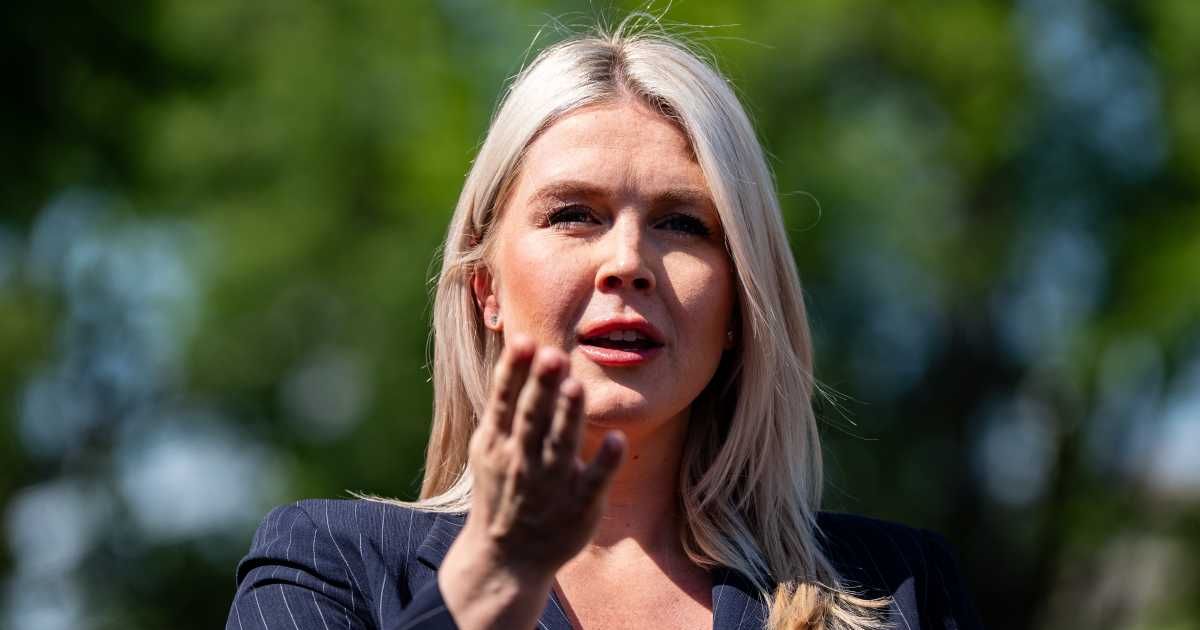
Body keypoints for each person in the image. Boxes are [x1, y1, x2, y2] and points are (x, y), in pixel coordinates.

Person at [225, 18, 983, 630]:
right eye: (574, 214)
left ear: (739, 301)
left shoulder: (900, 589)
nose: (628, 263)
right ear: (486, 288)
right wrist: (489, 589)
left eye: (683, 223)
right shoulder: (330, 564)